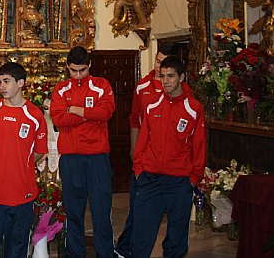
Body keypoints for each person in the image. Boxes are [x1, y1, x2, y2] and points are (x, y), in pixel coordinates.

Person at [131, 56, 206, 258]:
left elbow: (199, 147)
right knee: (141, 235)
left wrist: (192, 179)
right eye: (162, 76)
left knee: (176, 238)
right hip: (150, 180)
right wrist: (139, 170)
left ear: (181, 77)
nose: (166, 81)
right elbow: (143, 140)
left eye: (171, 76)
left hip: (179, 183)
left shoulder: (194, 108)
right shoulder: (151, 105)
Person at [114, 43, 183, 258]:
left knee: (173, 220)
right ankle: (126, 247)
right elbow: (135, 120)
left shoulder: (181, 91)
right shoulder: (142, 86)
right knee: (138, 210)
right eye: (158, 62)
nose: (161, 69)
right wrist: (135, 154)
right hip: (145, 160)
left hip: (172, 166)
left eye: (166, 64)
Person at [0, 62, 48, 257]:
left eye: (6, 81)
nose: (2, 86)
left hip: (20, 193)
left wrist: (19, 167)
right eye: (0, 82)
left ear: (21, 83)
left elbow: (40, 152)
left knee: (15, 250)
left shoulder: (34, 115)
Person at [50, 46, 116, 258]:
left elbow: (106, 112)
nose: (78, 75)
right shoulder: (60, 89)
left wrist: (75, 109)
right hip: (71, 159)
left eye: (82, 70)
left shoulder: (101, 85)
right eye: (73, 70)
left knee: (101, 212)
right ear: (67, 68)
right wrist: (90, 114)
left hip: (97, 158)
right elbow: (59, 119)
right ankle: (74, 254)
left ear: (89, 66)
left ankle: (105, 253)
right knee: (73, 212)